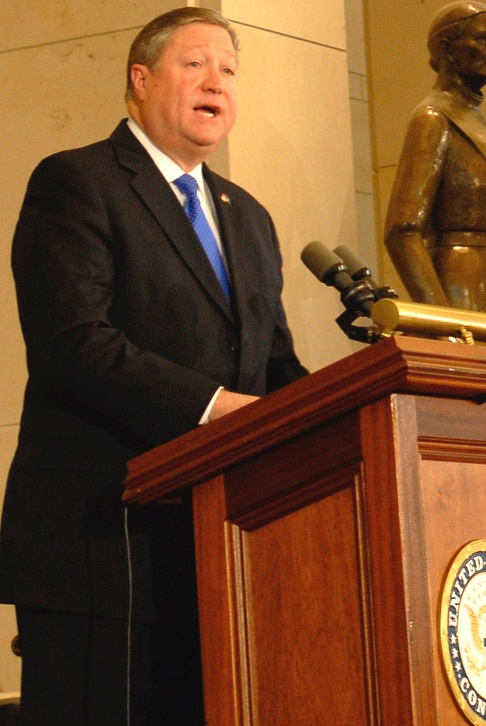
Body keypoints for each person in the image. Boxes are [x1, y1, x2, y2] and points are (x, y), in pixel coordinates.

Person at [0, 8, 308, 725]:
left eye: (230, 71)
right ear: (139, 81)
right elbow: (73, 342)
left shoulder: (248, 217)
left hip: (215, 551)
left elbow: (277, 370)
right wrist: (215, 407)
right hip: (101, 548)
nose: (217, 83)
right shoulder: (78, 181)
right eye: (196, 64)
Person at [383, 1, 486, 331]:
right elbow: (403, 230)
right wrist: (444, 322)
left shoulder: (476, 121)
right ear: (447, 49)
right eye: (483, 39)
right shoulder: (434, 117)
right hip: (464, 290)